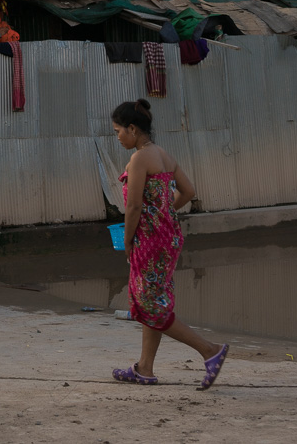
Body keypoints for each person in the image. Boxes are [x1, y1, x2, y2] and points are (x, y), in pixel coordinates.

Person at [111, 99, 228, 389]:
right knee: (154, 302)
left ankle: (210, 350)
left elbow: (134, 207)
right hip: (169, 238)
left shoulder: (139, 159)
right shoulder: (163, 154)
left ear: (133, 129)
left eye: (118, 131)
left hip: (149, 242)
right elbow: (188, 191)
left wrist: (127, 241)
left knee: (150, 306)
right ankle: (144, 368)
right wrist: (165, 212)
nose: (117, 137)